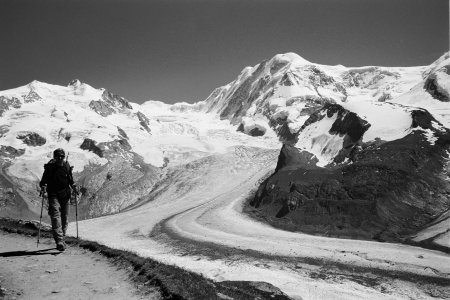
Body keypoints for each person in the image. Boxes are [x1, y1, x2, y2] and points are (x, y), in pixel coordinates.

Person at [39, 148, 76, 251]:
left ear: (64, 157)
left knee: (64, 219)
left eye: (61, 156)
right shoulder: (50, 168)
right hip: (53, 195)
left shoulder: (66, 166)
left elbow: (70, 180)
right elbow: (43, 181)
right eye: (57, 156)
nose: (60, 158)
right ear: (54, 157)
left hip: (65, 195)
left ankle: (62, 238)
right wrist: (43, 187)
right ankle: (59, 241)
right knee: (56, 217)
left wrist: (74, 186)